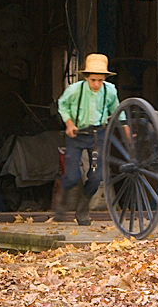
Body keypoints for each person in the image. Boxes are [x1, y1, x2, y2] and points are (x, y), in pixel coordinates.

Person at [54, 53, 124, 225]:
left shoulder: (109, 91)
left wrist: (127, 129)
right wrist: (69, 123)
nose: (96, 84)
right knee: (71, 176)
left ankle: (83, 211)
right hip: (76, 136)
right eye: (93, 80)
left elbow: (118, 111)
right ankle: (61, 205)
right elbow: (62, 105)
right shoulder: (74, 90)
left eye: (100, 80)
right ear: (86, 77)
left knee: (95, 176)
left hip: (96, 137)